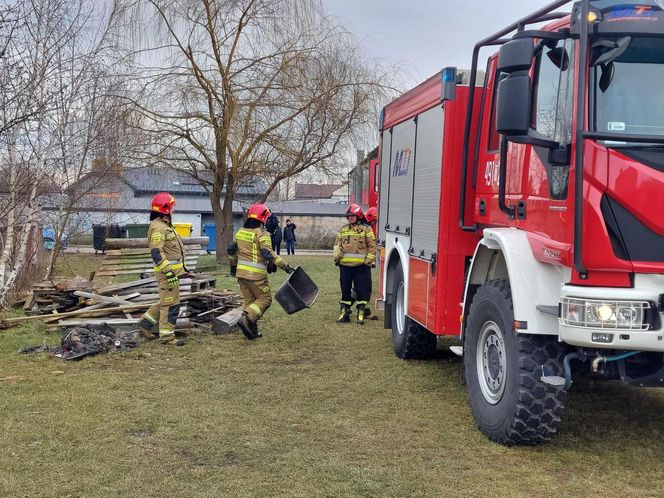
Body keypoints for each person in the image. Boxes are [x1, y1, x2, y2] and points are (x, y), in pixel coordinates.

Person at [227, 204, 294, 340]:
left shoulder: (240, 233)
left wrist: (233, 267)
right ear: (262, 219)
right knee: (265, 299)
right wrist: (285, 266)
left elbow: (231, 250)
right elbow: (267, 253)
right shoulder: (262, 234)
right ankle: (247, 319)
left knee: (250, 302)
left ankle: (251, 331)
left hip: (241, 275)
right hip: (256, 276)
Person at [137, 192, 189, 346]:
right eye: (171, 207)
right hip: (168, 273)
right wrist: (168, 271)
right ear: (165, 209)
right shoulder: (158, 228)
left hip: (173, 272)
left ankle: (145, 324)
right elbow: (156, 252)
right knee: (170, 304)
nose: (173, 210)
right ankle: (167, 337)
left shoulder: (164, 225)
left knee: (167, 300)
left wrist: (183, 270)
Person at [333, 204, 376, 324]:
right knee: (345, 291)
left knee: (362, 291)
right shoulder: (343, 229)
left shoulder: (366, 229)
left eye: (352, 216)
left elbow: (372, 247)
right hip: (345, 267)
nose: (350, 218)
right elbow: (337, 245)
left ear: (358, 216)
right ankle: (344, 314)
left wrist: (368, 262)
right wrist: (337, 258)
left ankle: (361, 315)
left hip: (361, 268)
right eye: (348, 216)